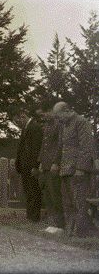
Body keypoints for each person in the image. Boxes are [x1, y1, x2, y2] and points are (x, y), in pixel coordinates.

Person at [52, 101, 98, 237]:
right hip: (65, 170)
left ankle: (82, 232)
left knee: (79, 202)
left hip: (77, 171)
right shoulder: (63, 125)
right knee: (68, 203)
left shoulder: (81, 122)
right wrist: (56, 162)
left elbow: (86, 147)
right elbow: (61, 146)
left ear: (67, 110)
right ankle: (71, 230)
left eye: (58, 115)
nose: (57, 119)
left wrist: (81, 168)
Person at [36, 104, 65, 230]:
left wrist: (56, 162)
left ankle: (60, 224)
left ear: (51, 111)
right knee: (47, 194)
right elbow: (43, 145)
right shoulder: (47, 125)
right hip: (46, 165)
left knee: (55, 194)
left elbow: (60, 145)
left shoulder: (59, 124)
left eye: (44, 114)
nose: (43, 117)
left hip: (53, 165)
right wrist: (41, 162)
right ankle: (52, 222)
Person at [13, 109, 43, 222]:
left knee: (34, 191)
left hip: (31, 167)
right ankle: (30, 216)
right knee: (28, 192)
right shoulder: (25, 129)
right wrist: (18, 163)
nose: (17, 124)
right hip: (25, 167)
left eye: (17, 121)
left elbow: (36, 149)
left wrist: (35, 166)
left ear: (23, 116)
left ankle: (34, 217)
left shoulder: (35, 128)